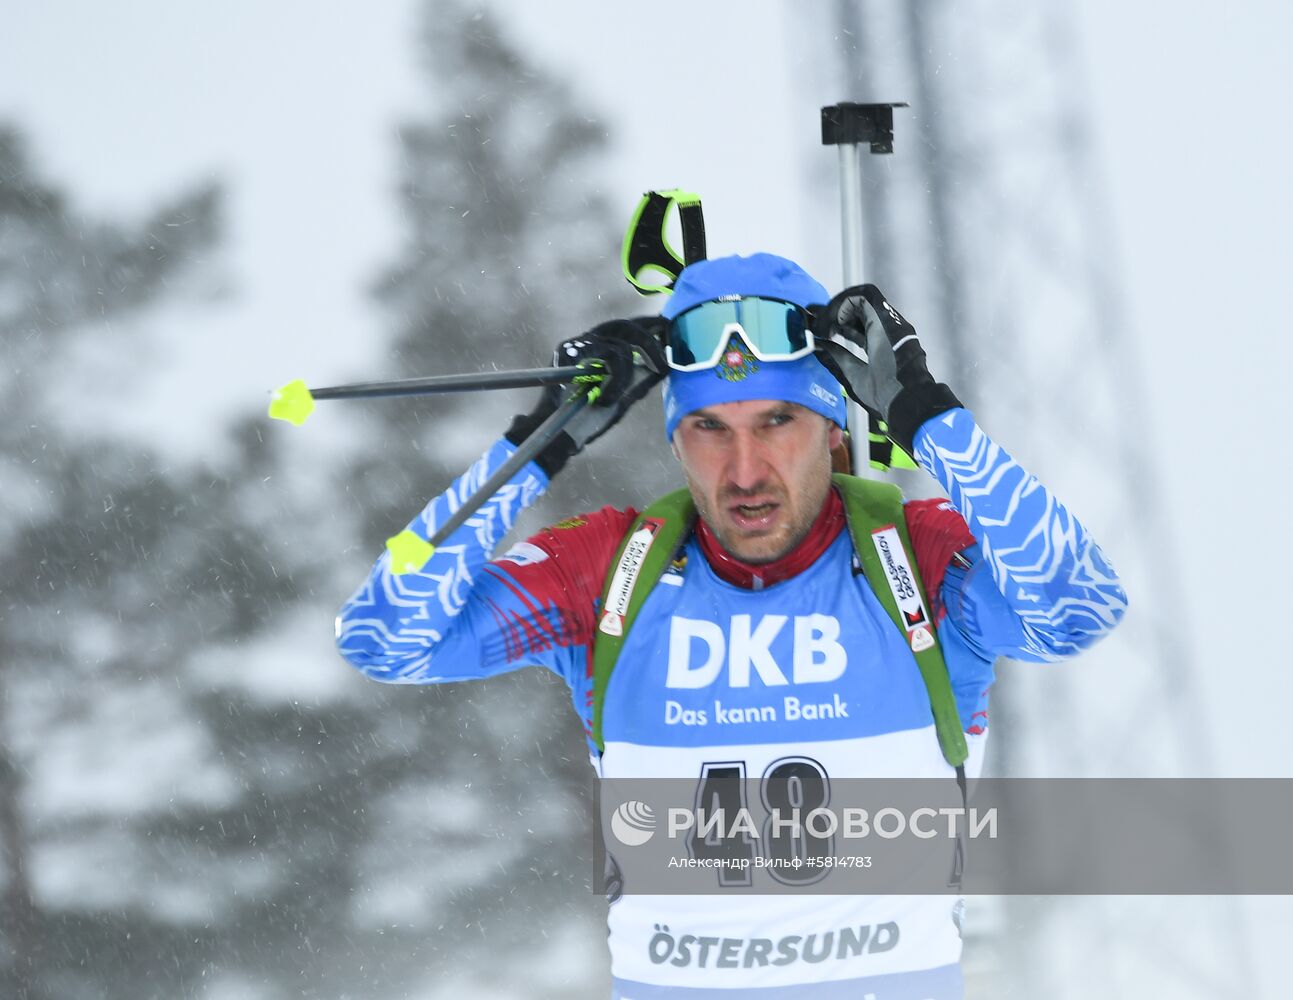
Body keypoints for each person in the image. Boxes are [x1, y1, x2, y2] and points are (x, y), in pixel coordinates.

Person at [336, 253, 1127, 998]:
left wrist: (927, 416)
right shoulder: (609, 573)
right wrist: (539, 444)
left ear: (834, 430)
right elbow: (387, 638)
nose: (744, 470)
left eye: (777, 421)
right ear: (675, 441)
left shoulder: (913, 561)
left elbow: (1075, 605)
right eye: (709, 428)